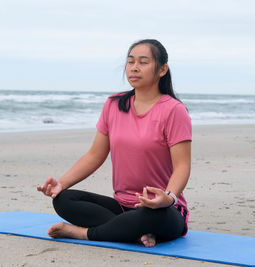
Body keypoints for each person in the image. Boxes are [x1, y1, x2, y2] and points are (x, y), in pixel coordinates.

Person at [37, 39, 192, 247]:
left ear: (162, 69)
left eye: (143, 62)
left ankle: (82, 233)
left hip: (161, 210)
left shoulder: (174, 110)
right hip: (121, 206)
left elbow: (182, 165)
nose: (134, 67)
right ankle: (135, 233)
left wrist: (169, 197)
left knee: (150, 216)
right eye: (130, 62)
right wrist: (61, 184)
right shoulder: (114, 105)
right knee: (64, 200)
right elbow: (94, 156)